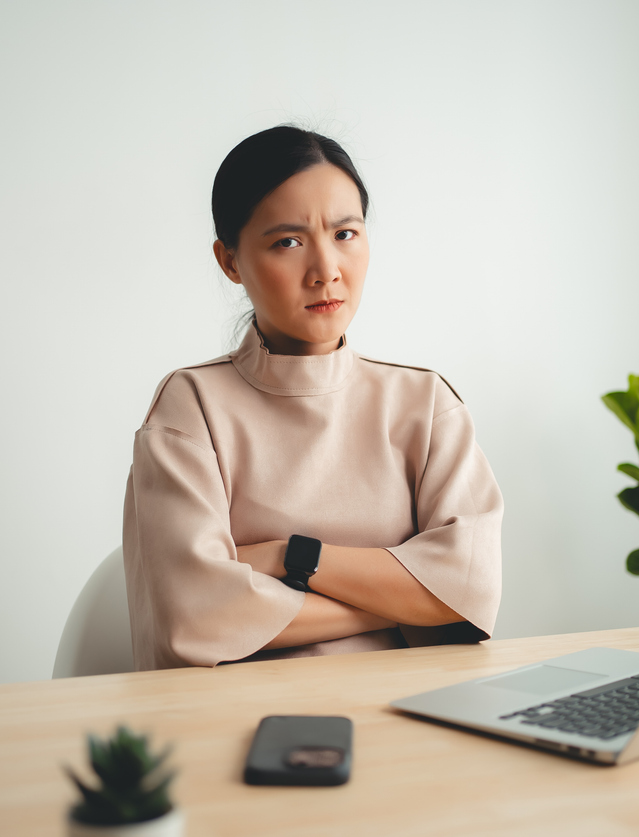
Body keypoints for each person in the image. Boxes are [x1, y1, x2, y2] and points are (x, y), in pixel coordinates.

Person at [122, 126, 503, 670]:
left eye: (346, 234)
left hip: (412, 714)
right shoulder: (192, 407)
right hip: (239, 724)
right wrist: (411, 602)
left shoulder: (425, 403)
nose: (327, 270)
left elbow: (474, 585)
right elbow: (196, 620)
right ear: (229, 261)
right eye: (288, 242)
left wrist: (290, 557)